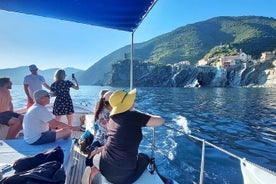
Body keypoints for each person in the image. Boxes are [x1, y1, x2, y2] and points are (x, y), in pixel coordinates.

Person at [89, 89, 164, 184]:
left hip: (105, 169)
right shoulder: (134, 116)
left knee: (106, 159)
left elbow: (114, 141)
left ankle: (94, 171)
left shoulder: (112, 119)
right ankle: (163, 180)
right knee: (145, 158)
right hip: (124, 177)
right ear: (126, 103)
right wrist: (145, 116)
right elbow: (161, 121)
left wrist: (100, 149)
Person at [85, 91, 112, 165]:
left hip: (98, 138)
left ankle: (90, 170)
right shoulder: (113, 112)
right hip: (109, 141)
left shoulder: (99, 108)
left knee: (89, 159)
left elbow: (96, 123)